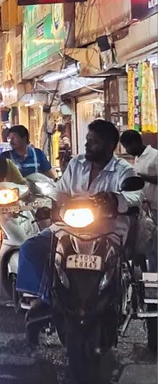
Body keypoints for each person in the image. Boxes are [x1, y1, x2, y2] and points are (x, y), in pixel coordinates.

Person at [16, 119, 140, 307]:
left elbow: (135, 197)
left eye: (93, 142)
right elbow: (60, 191)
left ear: (109, 146)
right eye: (87, 140)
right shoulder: (76, 164)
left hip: (107, 231)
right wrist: (50, 206)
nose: (87, 145)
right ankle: (41, 300)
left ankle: (112, 300)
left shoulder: (124, 170)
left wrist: (115, 200)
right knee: (30, 248)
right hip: (68, 227)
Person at [120, 130, 157, 268]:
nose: (127, 151)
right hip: (144, 208)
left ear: (136, 142)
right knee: (145, 242)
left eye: (128, 147)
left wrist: (142, 177)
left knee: (155, 244)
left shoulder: (154, 156)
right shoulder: (137, 158)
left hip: (156, 206)